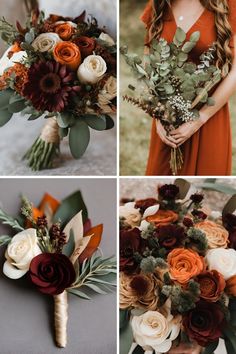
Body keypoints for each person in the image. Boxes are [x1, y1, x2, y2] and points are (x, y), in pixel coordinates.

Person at [141, 0, 236, 176]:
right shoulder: (159, 4)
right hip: (168, 121)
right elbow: (149, 61)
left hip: (209, 118)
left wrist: (201, 117)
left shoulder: (228, 4)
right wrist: (157, 113)